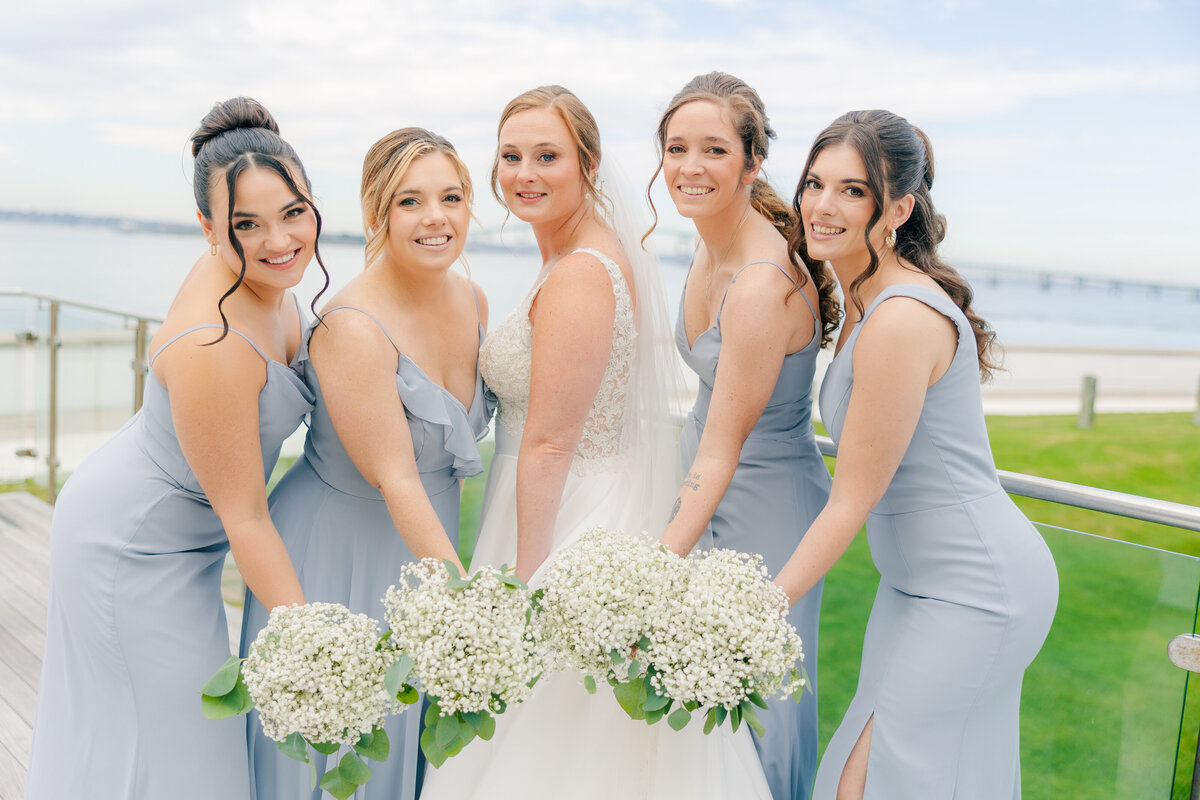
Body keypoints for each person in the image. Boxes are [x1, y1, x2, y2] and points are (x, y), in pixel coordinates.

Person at [419, 85, 771, 800]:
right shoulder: (576, 254)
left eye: (547, 155)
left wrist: (520, 591)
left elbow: (549, 444)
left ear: (588, 163)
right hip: (562, 501)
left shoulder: (582, 272)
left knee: (547, 733)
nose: (525, 173)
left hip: (563, 520)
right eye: (511, 156)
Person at [25, 97, 324, 800]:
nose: (279, 241)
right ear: (209, 230)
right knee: (183, 742)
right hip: (131, 544)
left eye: (293, 212)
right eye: (245, 224)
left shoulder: (271, 282)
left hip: (185, 537)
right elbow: (246, 517)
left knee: (167, 736)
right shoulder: (211, 346)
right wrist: (312, 644)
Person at [773, 110, 1059, 799]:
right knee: (879, 773)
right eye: (815, 184)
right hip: (915, 585)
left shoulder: (900, 318)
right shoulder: (867, 303)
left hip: (977, 588)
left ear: (898, 208)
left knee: (872, 782)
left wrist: (755, 608)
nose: (822, 205)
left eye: (853, 191)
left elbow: (852, 499)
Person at [239, 127, 491, 800]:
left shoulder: (473, 300)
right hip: (337, 552)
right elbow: (398, 476)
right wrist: (464, 607)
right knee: (341, 754)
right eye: (411, 202)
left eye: (452, 197)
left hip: (425, 546)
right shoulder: (350, 326)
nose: (436, 218)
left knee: (403, 747)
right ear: (378, 213)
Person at [650, 71, 839, 800]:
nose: (690, 167)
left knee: (756, 708)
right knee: (693, 707)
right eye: (676, 148)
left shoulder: (761, 285)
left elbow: (725, 445)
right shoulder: (709, 242)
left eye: (714, 150)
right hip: (703, 487)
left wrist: (654, 567)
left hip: (763, 509)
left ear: (753, 162)